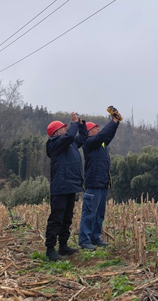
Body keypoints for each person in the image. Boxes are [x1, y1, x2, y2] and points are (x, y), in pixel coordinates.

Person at [44, 112, 87, 261]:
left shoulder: (69, 143)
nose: (66, 129)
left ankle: (63, 245)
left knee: (67, 218)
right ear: (56, 132)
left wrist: (81, 125)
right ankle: (50, 249)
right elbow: (69, 136)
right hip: (60, 187)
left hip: (71, 186)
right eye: (63, 127)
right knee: (57, 218)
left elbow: (82, 138)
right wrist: (74, 123)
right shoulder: (54, 143)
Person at [78, 110, 121, 250]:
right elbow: (103, 135)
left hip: (102, 183)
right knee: (89, 213)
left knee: (99, 214)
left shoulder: (100, 144)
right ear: (89, 132)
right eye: (95, 128)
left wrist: (116, 123)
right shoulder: (89, 142)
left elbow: (107, 135)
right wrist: (113, 121)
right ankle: (85, 240)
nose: (98, 129)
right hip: (94, 184)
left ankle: (95, 238)